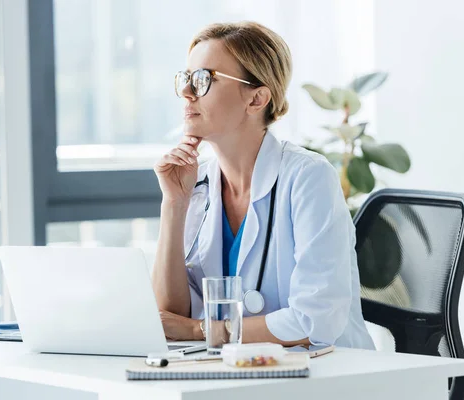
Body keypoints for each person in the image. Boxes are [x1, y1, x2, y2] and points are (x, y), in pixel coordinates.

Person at [152, 21, 374, 349]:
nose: (187, 92)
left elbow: (314, 321)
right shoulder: (195, 182)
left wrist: (200, 330)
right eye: (186, 78)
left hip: (329, 374)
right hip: (238, 372)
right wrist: (173, 205)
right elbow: (168, 318)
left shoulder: (309, 177)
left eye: (203, 79)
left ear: (256, 99)